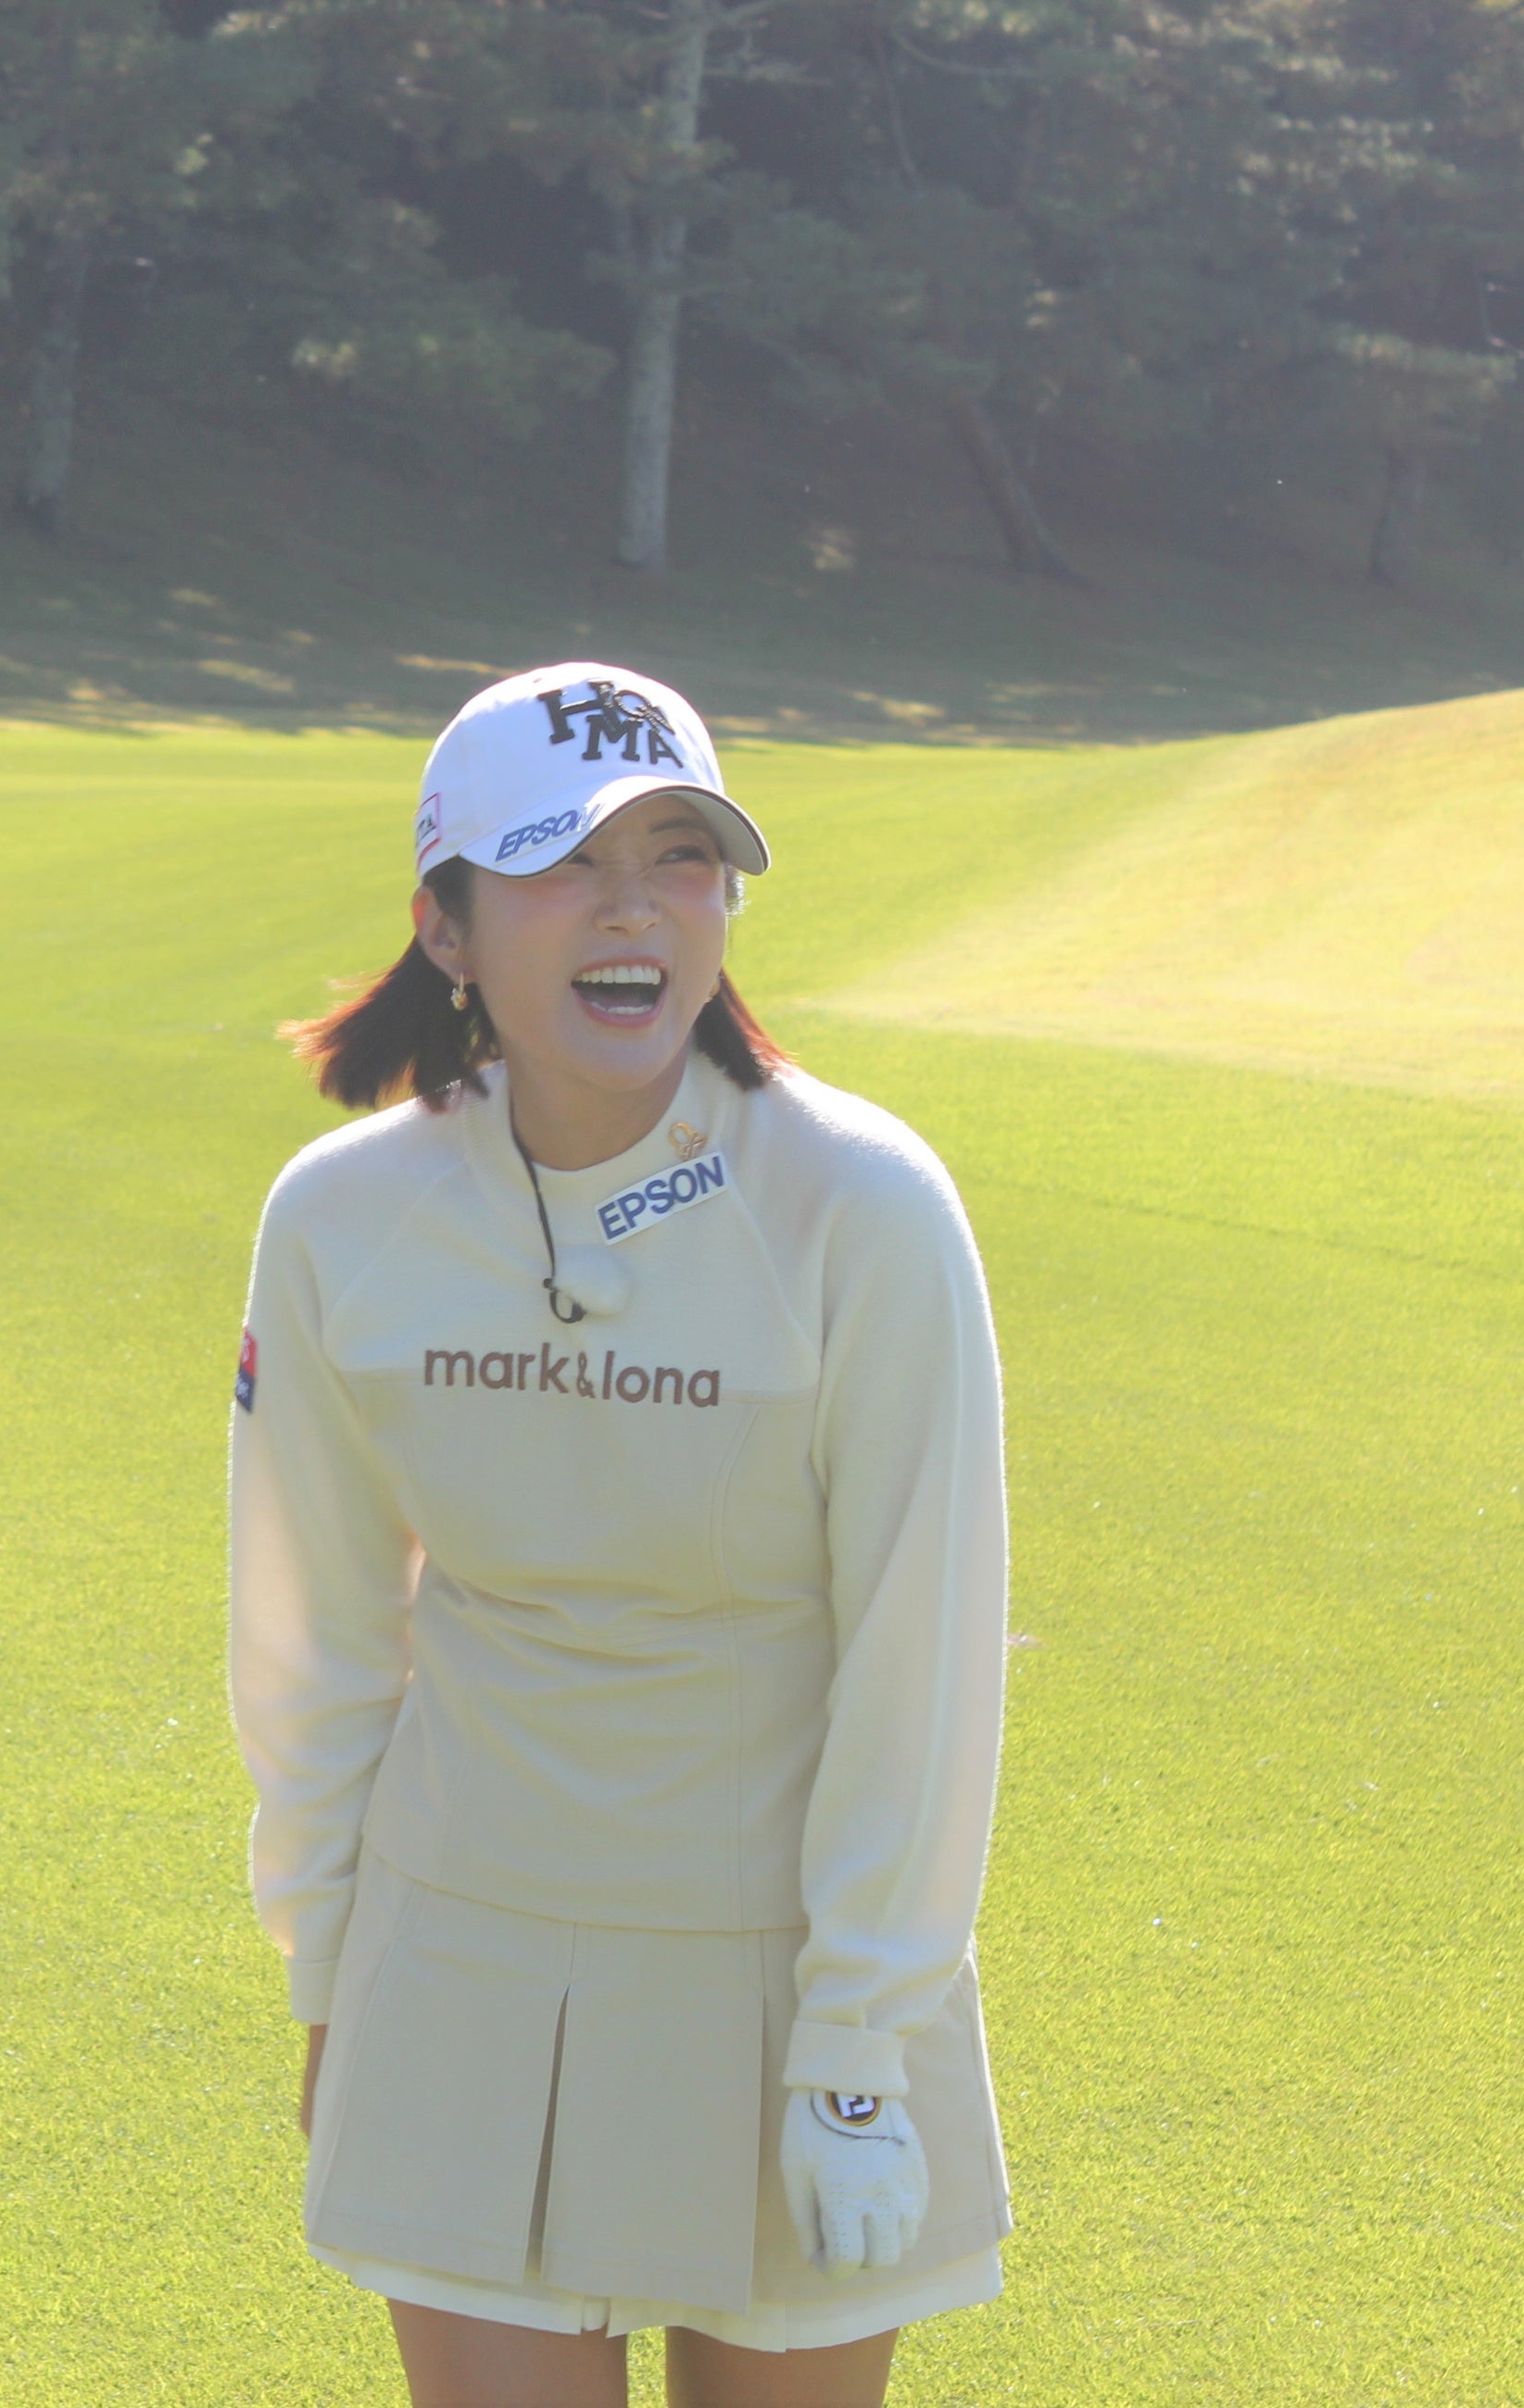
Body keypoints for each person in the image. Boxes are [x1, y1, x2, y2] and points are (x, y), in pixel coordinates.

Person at [227, 664, 1012, 2407]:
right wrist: (332, 1977)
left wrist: (859, 2046)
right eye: (565, 862)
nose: (634, 906)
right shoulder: (342, 1215)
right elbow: (314, 1644)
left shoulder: (864, 1206)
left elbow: (925, 1662)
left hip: (789, 1984)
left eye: (678, 856)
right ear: (446, 926)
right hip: (457, 1955)